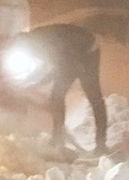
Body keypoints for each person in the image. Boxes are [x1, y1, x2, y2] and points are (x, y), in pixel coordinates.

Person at [8, 23, 109, 154]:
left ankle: (101, 145)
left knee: (93, 96)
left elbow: (57, 70)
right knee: (56, 96)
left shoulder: (45, 45)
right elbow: (49, 67)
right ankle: (57, 138)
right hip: (69, 52)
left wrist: (34, 83)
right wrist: (28, 82)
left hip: (88, 50)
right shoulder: (35, 43)